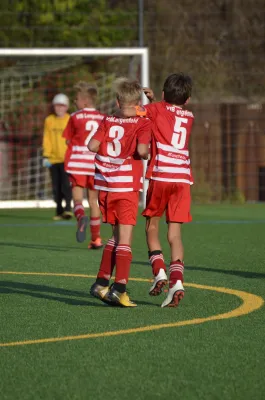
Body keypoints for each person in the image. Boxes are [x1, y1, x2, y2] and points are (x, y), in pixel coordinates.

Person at [88, 78, 151, 307]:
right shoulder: (143, 123)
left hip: (105, 186)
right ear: (137, 104)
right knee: (125, 239)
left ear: (117, 101)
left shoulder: (107, 119)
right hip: (125, 186)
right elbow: (142, 151)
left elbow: (92, 146)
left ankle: (100, 282)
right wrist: (144, 152)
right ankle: (120, 288)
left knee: (114, 236)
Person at [142, 73, 194, 308]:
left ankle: (159, 272)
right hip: (182, 179)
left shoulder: (154, 110)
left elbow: (140, 113)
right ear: (188, 100)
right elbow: (171, 112)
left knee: (151, 226)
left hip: (161, 175)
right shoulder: (190, 116)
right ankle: (177, 281)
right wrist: (156, 100)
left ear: (162, 95)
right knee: (175, 235)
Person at [63, 81, 105, 249]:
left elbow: (67, 139)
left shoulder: (74, 117)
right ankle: (96, 239)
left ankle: (80, 216)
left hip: (77, 164)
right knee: (94, 202)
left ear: (85, 101)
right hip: (95, 165)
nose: (74, 101)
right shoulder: (103, 118)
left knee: (77, 198)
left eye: (76, 99)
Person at [42, 93, 73, 221]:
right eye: (57, 106)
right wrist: (46, 156)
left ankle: (68, 209)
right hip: (53, 160)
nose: (59, 109)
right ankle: (59, 210)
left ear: (66, 107)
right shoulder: (49, 120)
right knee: (56, 186)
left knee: (66, 185)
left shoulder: (70, 119)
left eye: (62, 106)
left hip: (67, 159)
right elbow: (47, 138)